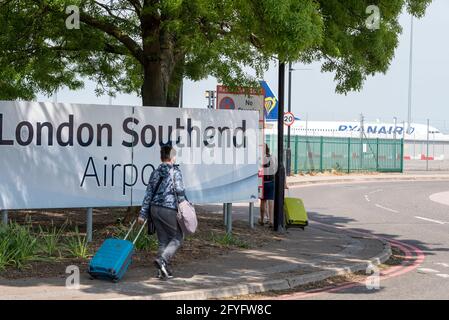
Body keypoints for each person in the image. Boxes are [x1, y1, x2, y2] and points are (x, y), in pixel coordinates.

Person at [138, 144, 186, 280]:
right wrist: (184, 207)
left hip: (154, 210)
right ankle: (163, 260)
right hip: (168, 208)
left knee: (163, 240)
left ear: (161, 157)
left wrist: (142, 214)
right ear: (173, 158)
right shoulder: (175, 172)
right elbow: (180, 192)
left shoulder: (155, 172)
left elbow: (148, 194)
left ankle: (162, 271)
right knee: (178, 236)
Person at [260, 144, 275, 226]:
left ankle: (262, 220)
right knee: (271, 202)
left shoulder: (259, 158)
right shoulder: (271, 157)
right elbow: (274, 168)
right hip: (271, 181)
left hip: (262, 182)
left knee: (263, 201)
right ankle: (271, 221)